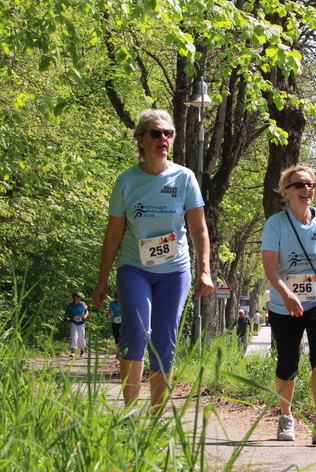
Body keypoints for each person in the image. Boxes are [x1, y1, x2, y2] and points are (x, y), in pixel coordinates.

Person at [91, 109, 214, 414]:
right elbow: (114, 232)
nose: (163, 139)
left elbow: (199, 228)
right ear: (141, 140)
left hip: (175, 271)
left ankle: (158, 416)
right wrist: (102, 280)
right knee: (136, 330)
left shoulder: (184, 178)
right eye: (156, 133)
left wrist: (206, 271)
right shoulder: (126, 181)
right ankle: (131, 413)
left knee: (165, 338)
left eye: (168, 134)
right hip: (135, 267)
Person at [262, 165, 316, 445]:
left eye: (311, 184)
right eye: (299, 185)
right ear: (286, 192)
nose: (306, 189)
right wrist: (286, 293)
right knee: (288, 360)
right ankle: (286, 416)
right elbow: (270, 267)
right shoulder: (276, 223)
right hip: (285, 304)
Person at [65, 292, 90, 357]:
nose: (75, 299)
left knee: (81, 336)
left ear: (79, 298)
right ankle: (72, 351)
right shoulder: (70, 305)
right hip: (74, 322)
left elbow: (87, 311)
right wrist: (65, 318)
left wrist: (85, 316)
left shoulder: (82, 304)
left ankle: (82, 349)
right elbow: (67, 313)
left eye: (76, 298)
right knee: (73, 335)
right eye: (74, 298)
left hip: (81, 322)